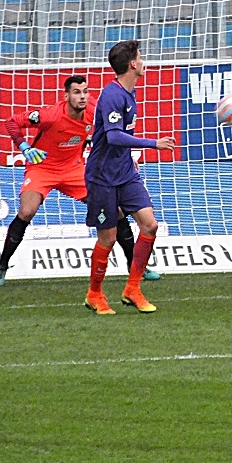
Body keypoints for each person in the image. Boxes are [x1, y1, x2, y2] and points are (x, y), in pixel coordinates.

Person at [0, 75, 161, 286]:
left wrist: (126, 158)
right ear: (66, 96)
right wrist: (24, 147)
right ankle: (2, 266)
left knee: (115, 210)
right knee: (27, 211)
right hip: (42, 168)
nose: (82, 97)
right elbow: (12, 122)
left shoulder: (94, 110)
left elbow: (112, 135)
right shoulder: (50, 115)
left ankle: (135, 266)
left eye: (85, 91)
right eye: (77, 92)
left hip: (74, 169)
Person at [84, 40, 175, 314]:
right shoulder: (112, 95)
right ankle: (94, 294)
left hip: (125, 173)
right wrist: (153, 144)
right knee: (108, 238)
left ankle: (133, 289)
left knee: (150, 225)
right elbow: (112, 136)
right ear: (132, 64)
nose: (144, 60)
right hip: (102, 177)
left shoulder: (128, 93)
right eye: (140, 57)